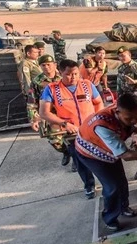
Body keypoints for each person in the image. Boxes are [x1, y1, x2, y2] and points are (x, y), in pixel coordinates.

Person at [75, 93, 137, 231]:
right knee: (112, 186)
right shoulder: (103, 126)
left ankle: (123, 207)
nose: (133, 120)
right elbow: (126, 155)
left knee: (121, 181)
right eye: (128, 118)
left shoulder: (123, 111)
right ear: (117, 112)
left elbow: (131, 129)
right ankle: (110, 217)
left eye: (136, 117)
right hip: (90, 153)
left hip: (109, 151)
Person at [39, 59, 104, 199]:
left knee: (100, 158)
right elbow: (44, 112)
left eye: (75, 73)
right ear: (60, 72)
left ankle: (107, 183)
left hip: (91, 130)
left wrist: (97, 120)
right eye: (69, 74)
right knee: (80, 161)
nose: (73, 77)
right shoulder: (51, 89)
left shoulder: (87, 85)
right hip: (71, 133)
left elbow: (98, 103)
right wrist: (64, 124)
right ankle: (89, 186)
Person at [27, 54, 70, 167]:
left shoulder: (64, 77)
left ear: (54, 65)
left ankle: (76, 158)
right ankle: (66, 152)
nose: (47, 67)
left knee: (72, 137)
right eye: (43, 65)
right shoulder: (37, 82)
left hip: (67, 112)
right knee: (55, 141)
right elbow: (32, 101)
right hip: (50, 115)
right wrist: (34, 119)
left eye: (49, 64)